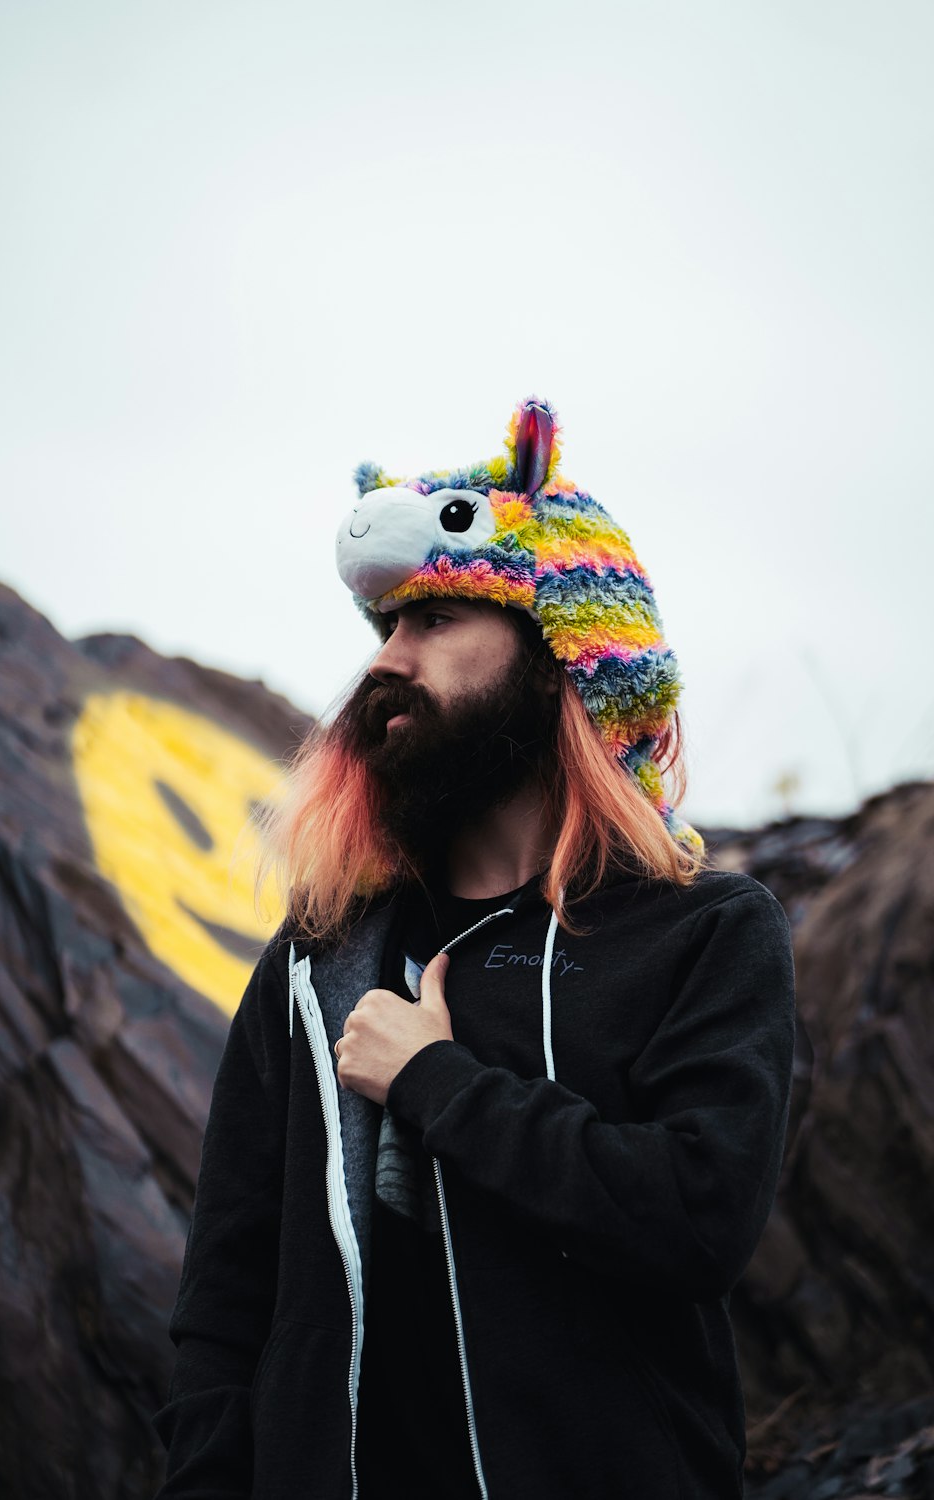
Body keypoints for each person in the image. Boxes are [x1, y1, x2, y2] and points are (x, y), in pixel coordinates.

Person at [152, 398, 796, 1500]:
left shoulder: (703, 933)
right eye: (385, 629)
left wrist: (435, 1084)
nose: (388, 663)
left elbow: (696, 1218)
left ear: (563, 665)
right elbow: (224, 1303)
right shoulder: (317, 962)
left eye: (439, 619)